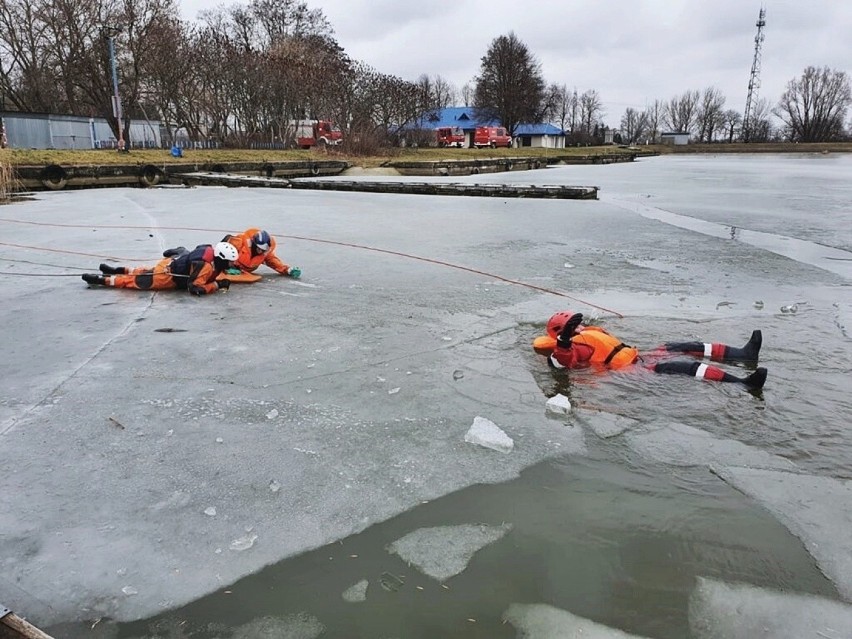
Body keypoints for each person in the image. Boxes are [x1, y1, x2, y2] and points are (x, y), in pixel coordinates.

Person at [534, 311, 767, 390]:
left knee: (683, 346)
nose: (580, 326)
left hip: (640, 357)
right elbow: (564, 362)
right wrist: (564, 340)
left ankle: (744, 354)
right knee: (685, 367)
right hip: (633, 371)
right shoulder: (572, 346)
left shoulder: (589, 332)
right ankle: (743, 383)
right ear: (563, 332)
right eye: (574, 325)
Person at [80, 242, 238, 296]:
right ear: (222, 259)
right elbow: (195, 287)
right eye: (230, 262)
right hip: (166, 278)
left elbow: (195, 250)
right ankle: (102, 280)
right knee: (135, 281)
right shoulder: (205, 267)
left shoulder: (208, 248)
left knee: (143, 270)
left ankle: (116, 269)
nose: (232, 265)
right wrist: (217, 285)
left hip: (169, 263)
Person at [220, 228, 301, 279]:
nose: (261, 252)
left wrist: (288, 270)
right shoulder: (238, 242)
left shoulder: (264, 253)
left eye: (263, 250)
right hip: (228, 267)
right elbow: (221, 251)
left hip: (242, 272)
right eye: (260, 249)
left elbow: (274, 263)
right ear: (254, 244)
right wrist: (224, 267)